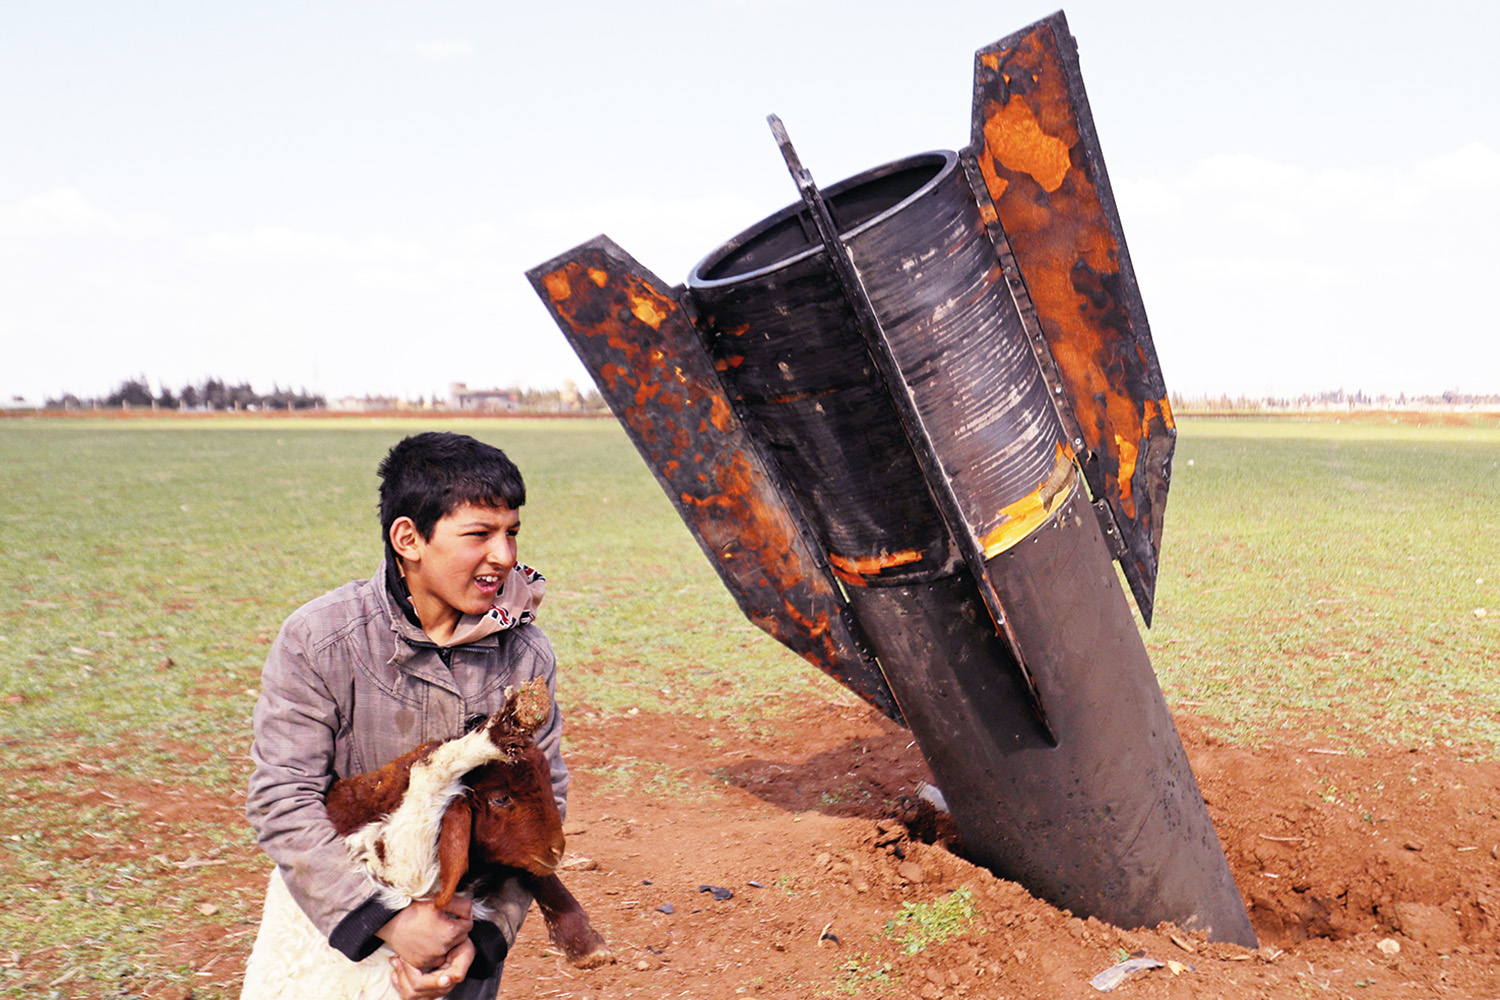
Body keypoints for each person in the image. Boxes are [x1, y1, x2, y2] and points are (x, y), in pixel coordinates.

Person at [245, 431, 567, 1000]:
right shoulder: (320, 640)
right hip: (334, 927)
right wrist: (390, 923)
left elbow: (542, 800)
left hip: (462, 931)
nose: (506, 556)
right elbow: (282, 801)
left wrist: (477, 938)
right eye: (480, 535)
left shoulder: (524, 653)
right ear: (408, 539)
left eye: (512, 532)